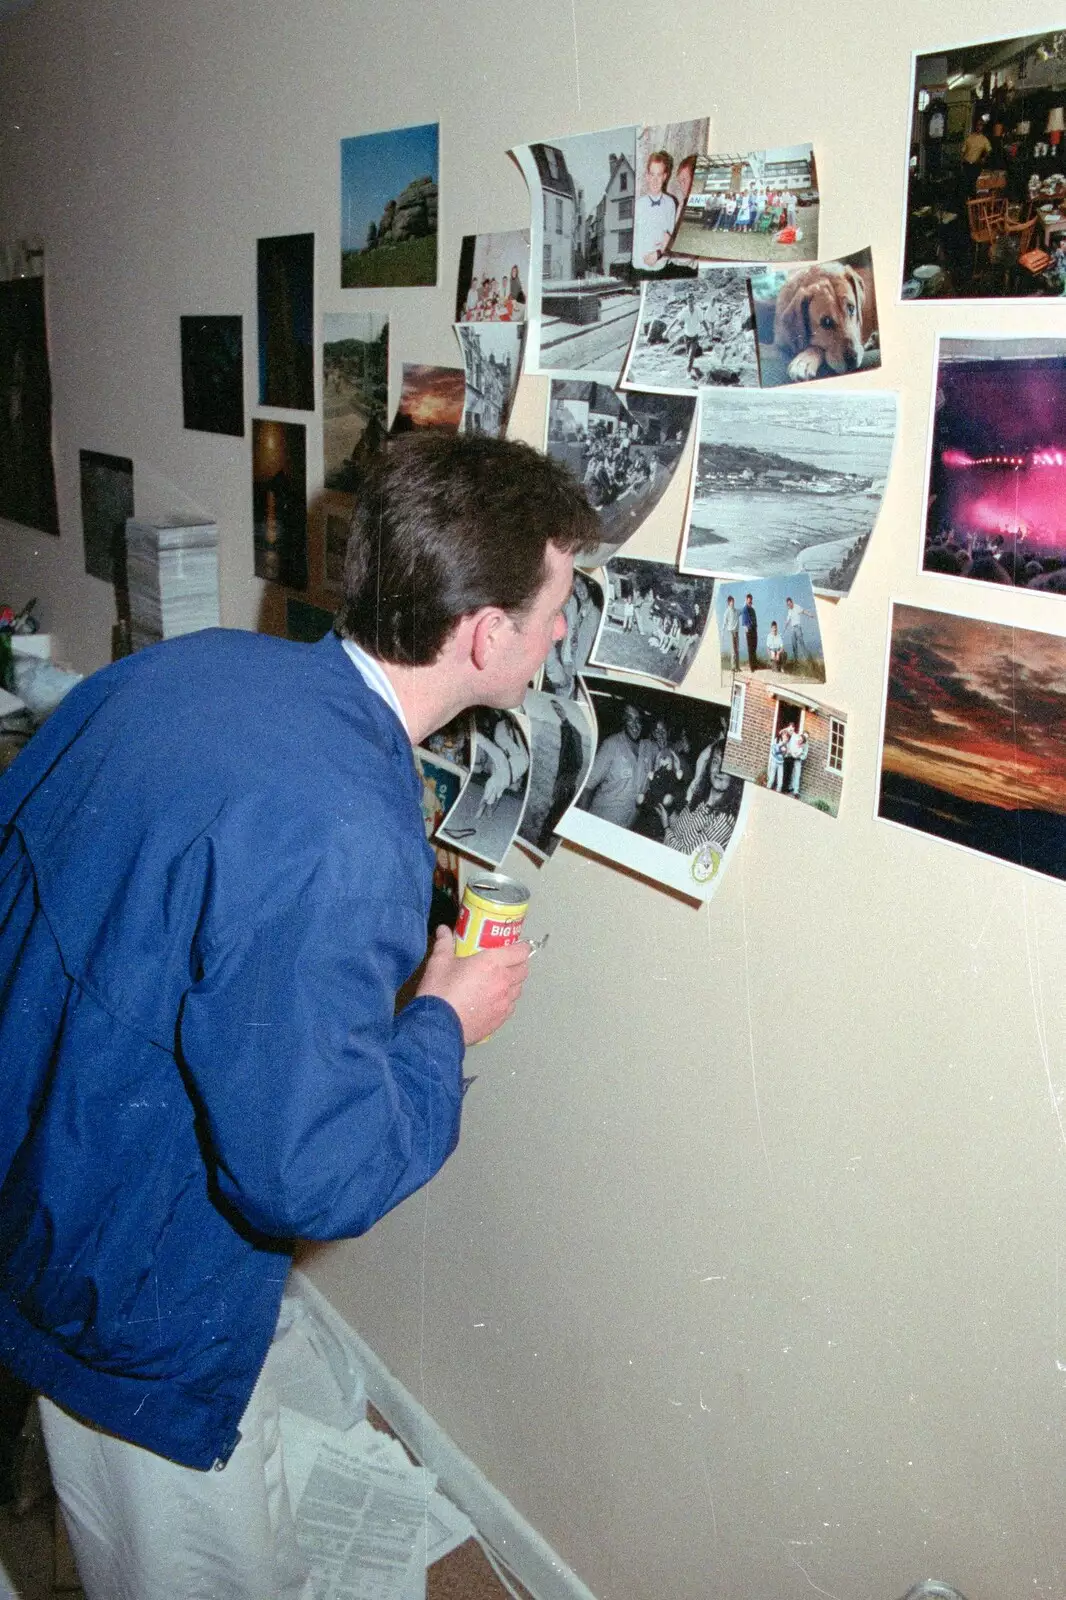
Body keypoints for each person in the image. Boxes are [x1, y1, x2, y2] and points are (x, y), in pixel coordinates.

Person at [0, 431, 600, 1600]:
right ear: (486, 634)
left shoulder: (198, 665)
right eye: (557, 605)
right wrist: (443, 1020)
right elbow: (307, 1176)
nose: (562, 631)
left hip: (45, 1167)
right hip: (132, 1287)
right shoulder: (342, 826)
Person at [577, 701, 656, 828]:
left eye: (638, 720)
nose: (635, 725)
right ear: (623, 721)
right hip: (600, 823)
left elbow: (666, 749)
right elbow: (587, 787)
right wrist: (580, 824)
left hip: (626, 828)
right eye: (630, 719)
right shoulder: (611, 745)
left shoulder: (648, 748)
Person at [634, 148, 678, 271]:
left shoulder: (670, 203)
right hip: (640, 267)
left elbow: (670, 240)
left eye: (659, 175)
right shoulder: (638, 205)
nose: (655, 180)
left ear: (665, 176)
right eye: (652, 174)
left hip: (662, 268)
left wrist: (658, 254)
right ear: (647, 176)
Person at [783, 595, 815, 666]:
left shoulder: (797, 607)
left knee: (801, 643)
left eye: (790, 603)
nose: (789, 605)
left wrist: (810, 615)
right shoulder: (789, 611)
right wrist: (785, 625)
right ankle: (796, 662)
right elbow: (788, 620)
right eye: (788, 604)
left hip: (798, 628)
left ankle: (808, 660)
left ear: (792, 602)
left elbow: (803, 611)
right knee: (794, 645)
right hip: (793, 629)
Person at [787, 726, 809, 796]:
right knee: (790, 772)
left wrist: (800, 757)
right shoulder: (797, 738)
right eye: (804, 736)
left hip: (798, 760)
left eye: (806, 737)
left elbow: (805, 755)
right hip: (791, 757)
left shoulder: (806, 745)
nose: (805, 738)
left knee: (797, 774)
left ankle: (796, 791)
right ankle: (789, 787)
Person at [722, 593, 741, 672]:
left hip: (736, 632)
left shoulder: (736, 611)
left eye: (733, 601)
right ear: (729, 602)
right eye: (732, 602)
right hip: (731, 632)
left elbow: (743, 610)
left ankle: (737, 667)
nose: (733, 603)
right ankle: (733, 667)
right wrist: (722, 631)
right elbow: (724, 622)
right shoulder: (727, 612)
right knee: (733, 650)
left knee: (737, 649)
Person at [740, 591, 758, 671]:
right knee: (750, 648)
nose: (750, 601)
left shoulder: (752, 609)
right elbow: (743, 621)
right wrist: (746, 629)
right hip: (749, 630)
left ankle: (754, 664)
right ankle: (752, 667)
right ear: (746, 600)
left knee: (754, 647)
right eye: (748, 599)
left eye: (751, 599)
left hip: (754, 630)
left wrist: (756, 628)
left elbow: (755, 619)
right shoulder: (745, 609)